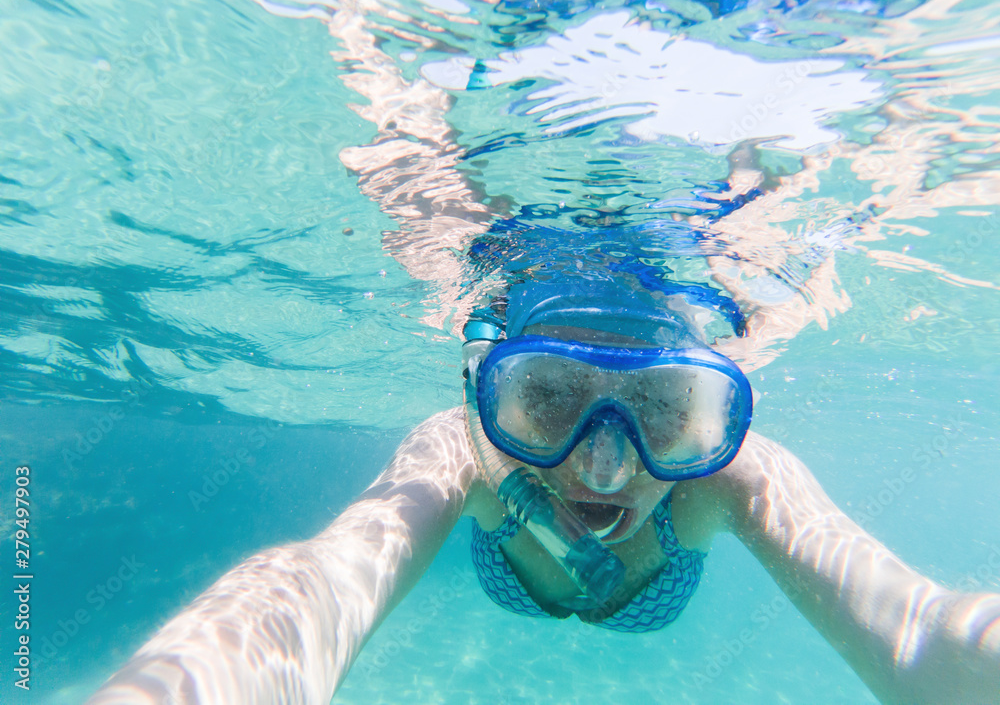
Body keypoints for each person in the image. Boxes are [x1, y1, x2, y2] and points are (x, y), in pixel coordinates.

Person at [86, 279, 1000, 705]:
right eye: (547, 400)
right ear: (487, 397)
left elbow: (920, 630)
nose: (604, 468)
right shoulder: (460, 450)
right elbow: (320, 581)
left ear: (715, 417)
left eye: (666, 410)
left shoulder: (735, 476)